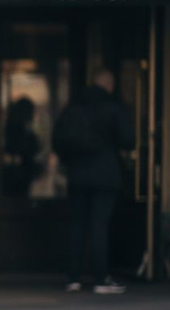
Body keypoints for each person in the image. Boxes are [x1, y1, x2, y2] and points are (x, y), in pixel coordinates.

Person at [52, 69, 135, 294]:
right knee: (99, 224)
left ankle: (73, 278)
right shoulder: (113, 107)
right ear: (110, 85)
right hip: (105, 172)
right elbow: (128, 140)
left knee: (77, 224)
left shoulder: (74, 107)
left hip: (77, 173)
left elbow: (57, 139)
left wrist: (70, 160)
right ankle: (100, 279)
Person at [1, 97, 43, 199]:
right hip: (17, 177)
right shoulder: (19, 133)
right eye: (31, 113)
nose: (32, 116)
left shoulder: (13, 130)